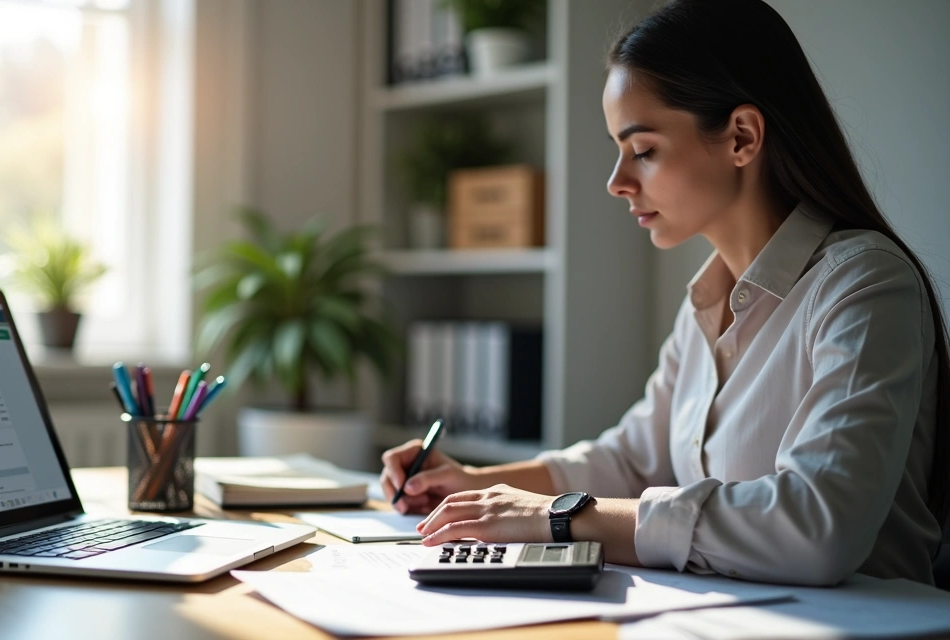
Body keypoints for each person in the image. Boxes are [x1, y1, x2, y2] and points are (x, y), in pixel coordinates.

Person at [380, 0, 948, 587]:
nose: (616, 182)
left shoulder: (864, 286)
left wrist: (560, 518)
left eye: (643, 150)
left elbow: (817, 527)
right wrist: (475, 484)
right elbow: (630, 461)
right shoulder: (707, 300)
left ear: (742, 137)